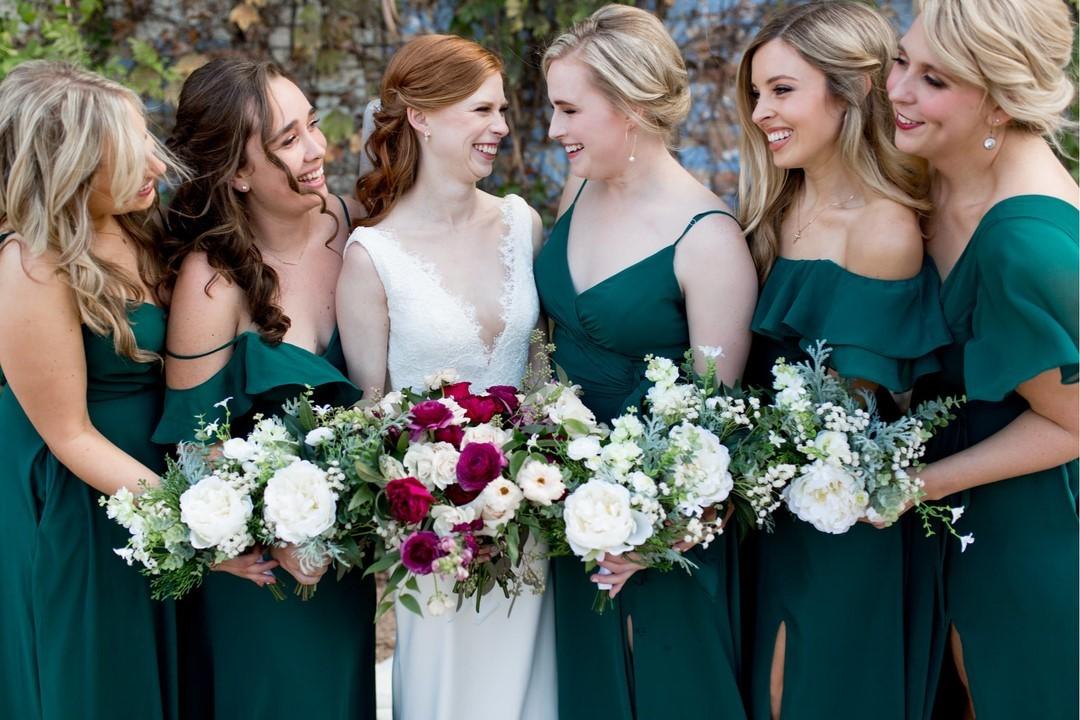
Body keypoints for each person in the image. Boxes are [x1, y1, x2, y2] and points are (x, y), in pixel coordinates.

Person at [533, 5, 757, 718]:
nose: (553, 130)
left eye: (570, 109)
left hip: (659, 535)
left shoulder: (708, 239)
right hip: (572, 508)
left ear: (630, 107)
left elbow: (715, 431)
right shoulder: (579, 188)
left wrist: (649, 539)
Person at [734, 3, 952, 718]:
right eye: (757, 93)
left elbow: (844, 423)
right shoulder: (770, 212)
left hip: (840, 521)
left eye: (782, 90)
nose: (761, 113)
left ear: (854, 88)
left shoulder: (884, 230)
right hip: (760, 516)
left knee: (800, 694)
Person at [336, 34, 554, 720]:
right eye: (482, 110)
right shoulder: (371, 257)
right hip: (438, 546)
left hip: (531, 528)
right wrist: (432, 505)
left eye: (502, 110)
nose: (502, 127)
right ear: (421, 117)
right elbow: (371, 417)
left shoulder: (522, 223)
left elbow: (543, 373)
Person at [152, 58, 375, 719]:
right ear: (238, 173)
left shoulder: (360, 228)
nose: (316, 149)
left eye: (312, 124)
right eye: (288, 139)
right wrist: (273, 533)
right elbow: (192, 451)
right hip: (264, 576)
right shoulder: (212, 280)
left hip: (347, 566)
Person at [888, 2, 1078, 718]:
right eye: (901, 60)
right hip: (961, 522)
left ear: (1000, 99)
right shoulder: (942, 170)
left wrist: (915, 485)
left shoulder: (1024, 243)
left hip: (1030, 538)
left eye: (933, 79)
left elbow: (1074, 423)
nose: (898, 90)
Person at [0, 61, 180, 719]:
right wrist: (190, 521)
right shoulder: (32, 265)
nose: (156, 166)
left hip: (146, 486)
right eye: (129, 158)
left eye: (147, 144)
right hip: (79, 500)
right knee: (99, 684)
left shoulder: (141, 225)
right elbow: (69, 433)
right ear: (69, 167)